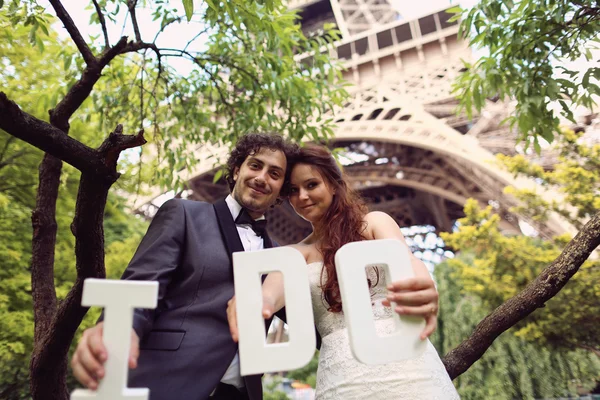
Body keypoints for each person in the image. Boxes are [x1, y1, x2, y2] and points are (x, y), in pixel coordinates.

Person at [70, 133, 299, 400]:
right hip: (171, 382)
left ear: (282, 187)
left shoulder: (279, 260)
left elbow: (318, 322)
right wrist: (117, 329)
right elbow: (141, 287)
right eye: (255, 165)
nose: (262, 178)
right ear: (237, 170)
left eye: (274, 173)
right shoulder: (184, 214)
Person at [228, 144, 459, 399]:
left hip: (410, 371)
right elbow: (270, 294)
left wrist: (423, 284)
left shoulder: (374, 224)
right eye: (293, 191)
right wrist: (255, 301)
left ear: (334, 184)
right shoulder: (296, 253)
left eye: (312, 185)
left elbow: (407, 262)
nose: (302, 196)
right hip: (342, 380)